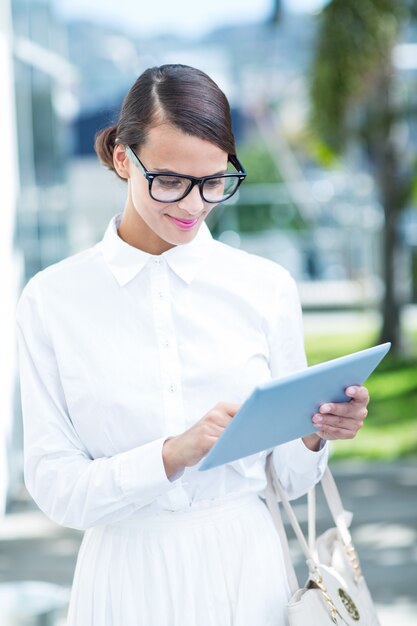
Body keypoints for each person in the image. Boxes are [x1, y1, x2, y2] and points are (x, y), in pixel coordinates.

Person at [16, 64, 369, 626]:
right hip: (124, 578)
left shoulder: (264, 287)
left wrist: (312, 432)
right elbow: (56, 488)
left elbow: (290, 481)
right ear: (123, 159)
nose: (193, 205)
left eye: (213, 181)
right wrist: (169, 455)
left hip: (247, 569)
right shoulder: (53, 300)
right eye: (172, 181)